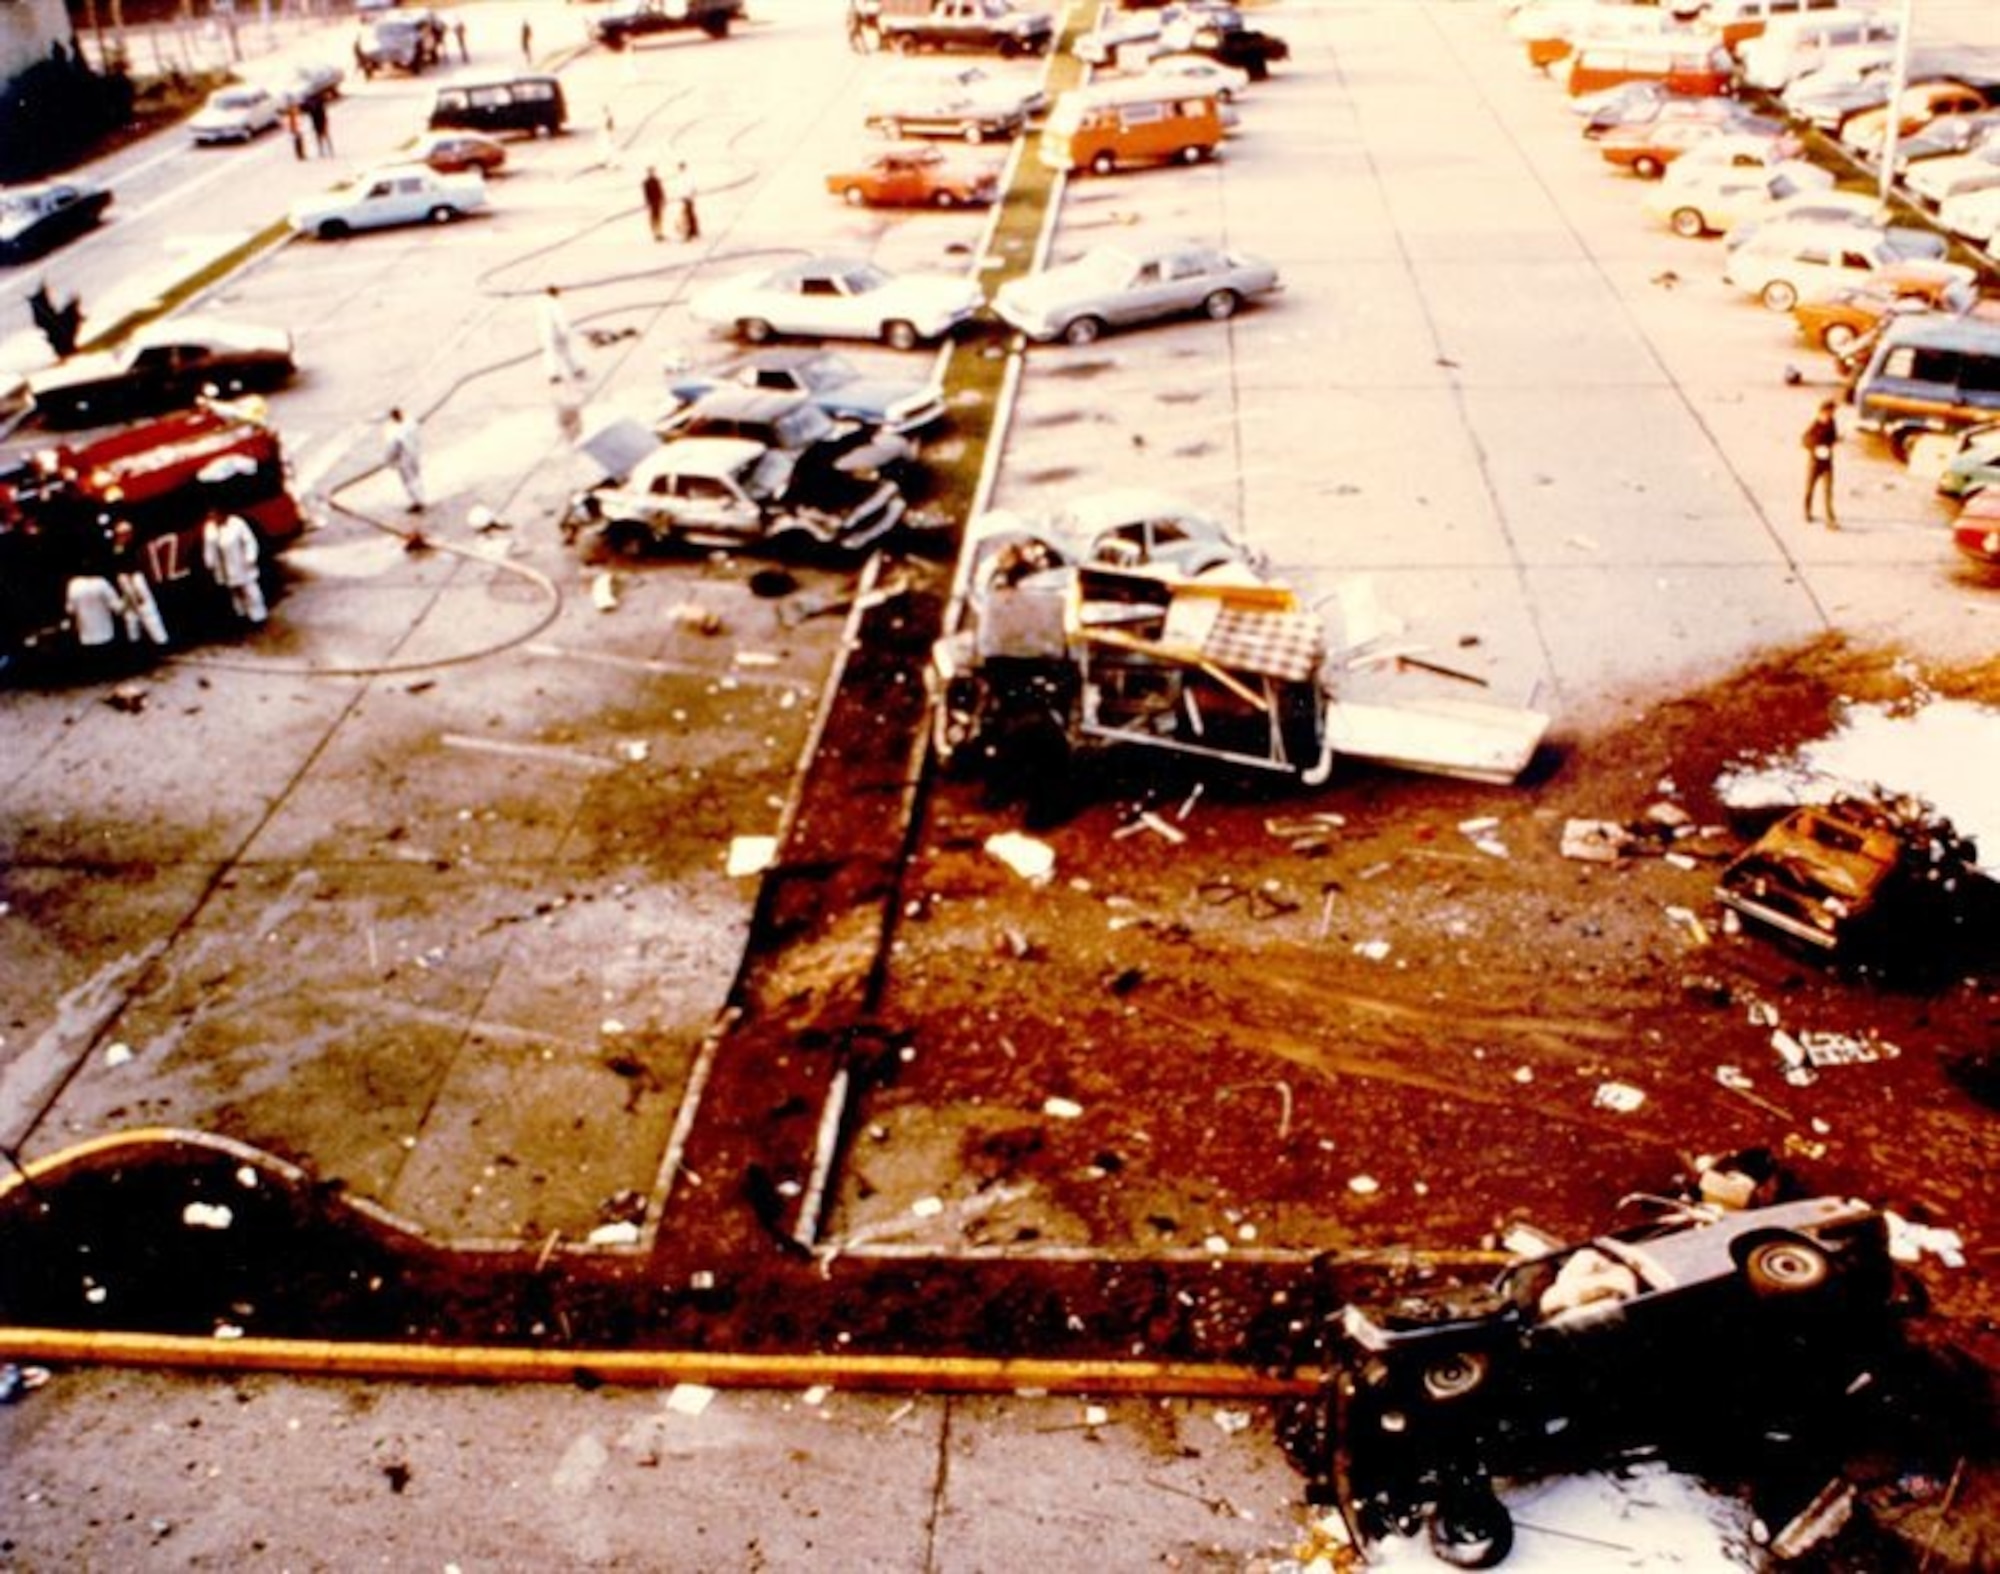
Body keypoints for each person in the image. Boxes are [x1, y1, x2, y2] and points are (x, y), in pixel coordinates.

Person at [108, 520, 169, 647]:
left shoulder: (120, 547)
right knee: (145, 610)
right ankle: (159, 640)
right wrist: (135, 592)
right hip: (131, 580)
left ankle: (137, 639)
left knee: (132, 615)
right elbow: (126, 570)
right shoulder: (121, 549)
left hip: (129, 580)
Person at [203, 511, 268, 625]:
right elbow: (209, 548)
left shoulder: (237, 524)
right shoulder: (210, 529)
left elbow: (249, 541)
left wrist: (250, 557)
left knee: (251, 591)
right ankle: (242, 615)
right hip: (224, 568)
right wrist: (209, 563)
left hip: (241, 564)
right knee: (234, 592)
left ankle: (258, 616)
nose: (214, 518)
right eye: (211, 516)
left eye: (216, 515)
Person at [64, 573, 123, 657]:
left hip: (85, 637)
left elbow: (70, 609)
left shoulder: (74, 584)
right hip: (106, 634)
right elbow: (117, 607)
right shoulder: (102, 583)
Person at [1802, 397, 1839, 530]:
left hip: (1827, 462)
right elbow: (1805, 440)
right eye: (1829, 412)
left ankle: (1830, 517)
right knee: (1809, 488)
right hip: (1815, 463)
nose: (1830, 415)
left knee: (1828, 491)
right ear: (1823, 412)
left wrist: (1832, 444)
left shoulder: (1832, 423)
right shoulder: (1815, 425)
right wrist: (1815, 448)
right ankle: (1807, 511)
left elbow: (1834, 437)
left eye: (1832, 413)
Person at [537, 286, 584, 383]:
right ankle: (575, 370)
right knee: (565, 351)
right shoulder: (555, 304)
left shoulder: (541, 304)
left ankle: (553, 374)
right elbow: (560, 319)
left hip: (545, 333)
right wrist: (565, 332)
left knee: (550, 353)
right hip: (556, 332)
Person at [384, 407, 425, 511]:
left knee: (408, 481)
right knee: (416, 477)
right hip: (415, 454)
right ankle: (421, 499)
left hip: (404, 457)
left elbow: (392, 447)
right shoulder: (411, 423)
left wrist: (389, 461)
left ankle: (417, 502)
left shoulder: (394, 430)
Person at [667, 160, 699, 241]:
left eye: (682, 167)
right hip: (684, 197)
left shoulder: (688, 176)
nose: (681, 168)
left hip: (687, 198)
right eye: (680, 167)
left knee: (688, 215)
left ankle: (690, 232)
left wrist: (691, 195)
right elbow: (679, 187)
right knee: (690, 214)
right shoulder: (680, 176)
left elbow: (692, 186)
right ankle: (693, 231)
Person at [641, 165, 666, 242]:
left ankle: (660, 233)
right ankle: (655, 234)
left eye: (652, 171)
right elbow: (646, 193)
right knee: (653, 218)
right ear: (648, 173)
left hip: (658, 201)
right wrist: (647, 202)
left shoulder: (657, 180)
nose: (652, 173)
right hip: (652, 203)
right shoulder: (646, 182)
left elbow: (661, 190)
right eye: (650, 172)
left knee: (659, 218)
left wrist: (663, 199)